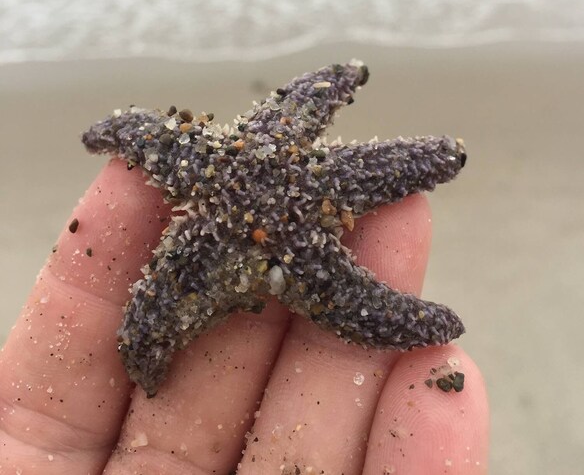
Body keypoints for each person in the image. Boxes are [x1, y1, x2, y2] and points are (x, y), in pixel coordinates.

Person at [0, 159, 489, 473]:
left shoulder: (204, 173)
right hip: (267, 217)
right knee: (148, 332)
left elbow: (166, 140)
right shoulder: (242, 228)